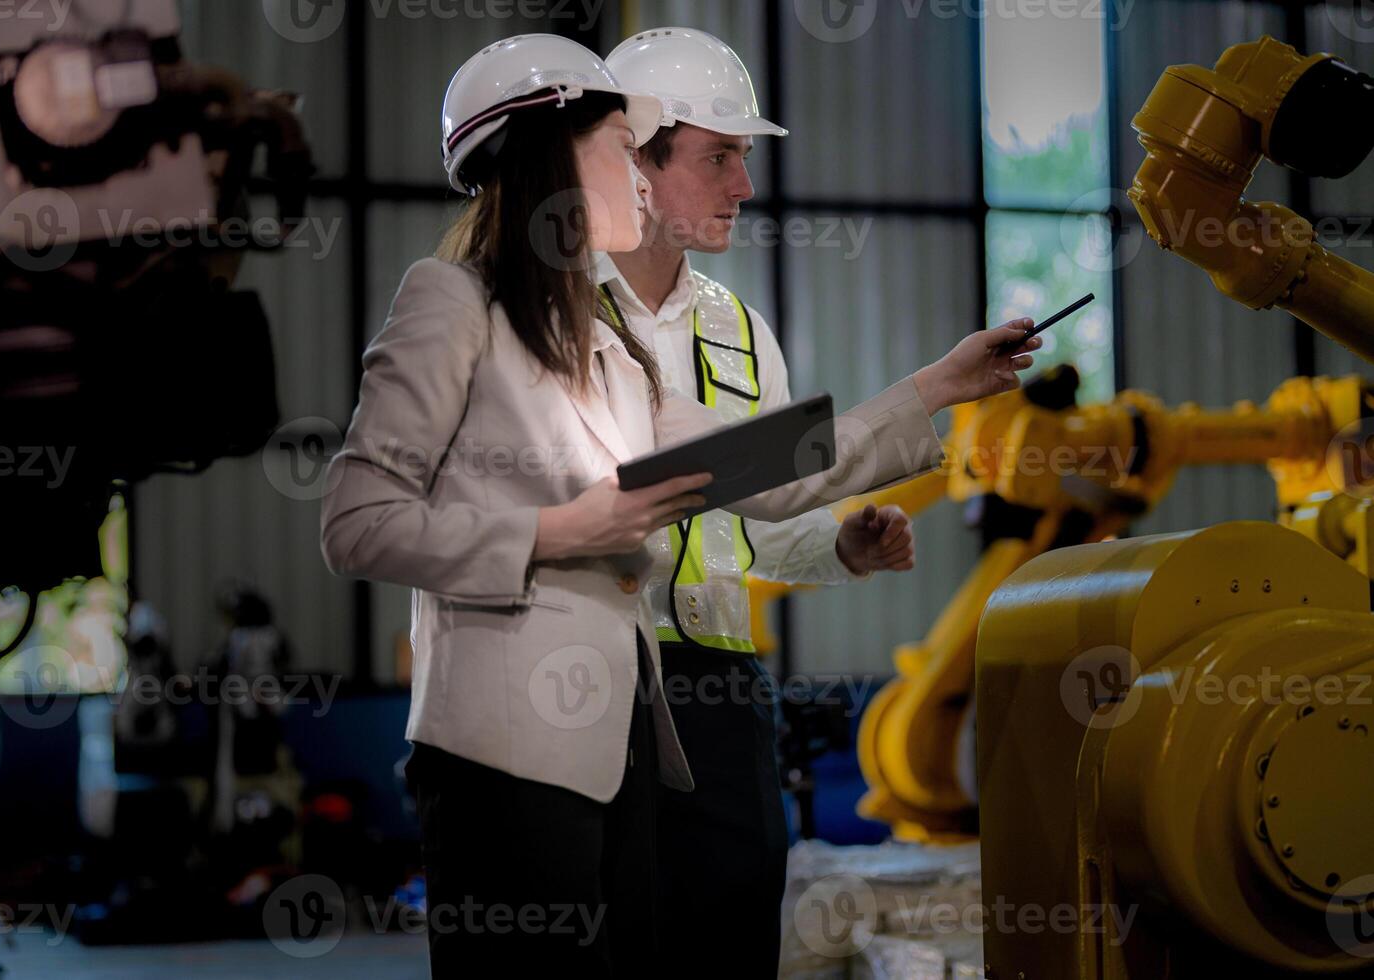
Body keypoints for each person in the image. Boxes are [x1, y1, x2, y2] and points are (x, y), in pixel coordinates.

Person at [319, 32, 1040, 979]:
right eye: (625, 147)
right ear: (557, 159)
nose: (644, 175)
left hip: (622, 746)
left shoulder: (612, 353)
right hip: (500, 752)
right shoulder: (452, 302)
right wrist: (555, 533)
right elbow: (355, 519)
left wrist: (936, 387)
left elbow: (770, 469)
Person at [603, 28, 919, 974]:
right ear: (638, 162)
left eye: (744, 158)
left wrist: (840, 549)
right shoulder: (556, 318)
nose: (745, 184)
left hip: (725, 689)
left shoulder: (740, 328)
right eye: (721, 157)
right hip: (600, 683)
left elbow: (752, 523)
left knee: (735, 941)